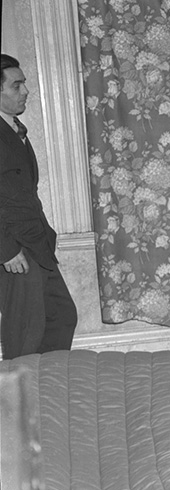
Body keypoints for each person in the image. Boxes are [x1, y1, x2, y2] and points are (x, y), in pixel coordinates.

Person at [0, 53, 77, 359]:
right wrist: (6, 249)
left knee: (61, 316)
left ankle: (46, 385)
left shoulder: (14, 129)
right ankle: (19, 391)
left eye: (24, 84)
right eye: (16, 85)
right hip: (15, 249)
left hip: (36, 243)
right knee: (25, 334)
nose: (25, 91)